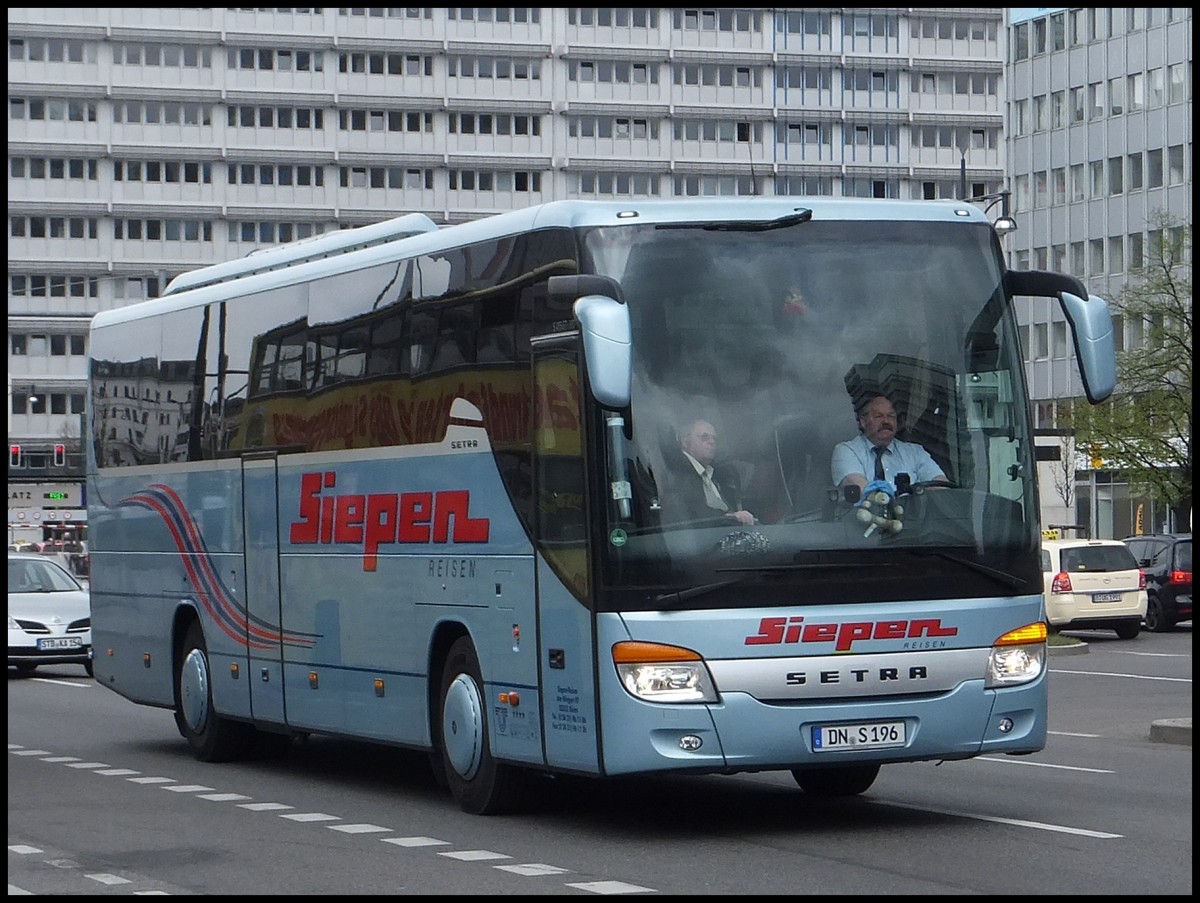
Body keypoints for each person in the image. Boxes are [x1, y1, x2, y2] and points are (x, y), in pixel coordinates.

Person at [831, 394, 948, 493]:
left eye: (891, 416)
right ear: (863, 422)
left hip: (913, 520)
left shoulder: (915, 453)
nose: (886, 421)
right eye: (878, 416)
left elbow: (941, 486)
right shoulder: (846, 451)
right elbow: (862, 490)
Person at [664, 418, 756, 525]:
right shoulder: (675, 473)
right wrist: (728, 517)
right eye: (704, 437)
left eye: (714, 439)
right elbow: (690, 513)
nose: (711, 442)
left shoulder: (719, 475)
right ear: (685, 441)